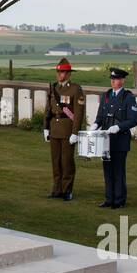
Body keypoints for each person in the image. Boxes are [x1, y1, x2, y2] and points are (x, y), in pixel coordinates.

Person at [94, 67, 137, 209]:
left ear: (123, 80)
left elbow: (133, 120)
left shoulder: (128, 97)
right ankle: (109, 199)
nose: (114, 82)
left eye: (117, 79)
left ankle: (119, 201)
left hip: (120, 140)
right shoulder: (106, 95)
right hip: (106, 140)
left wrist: (118, 127)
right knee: (107, 170)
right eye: (112, 79)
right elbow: (101, 116)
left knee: (118, 171)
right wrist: (95, 125)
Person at [43, 58, 85, 201]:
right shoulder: (53, 88)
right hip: (54, 129)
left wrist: (75, 132)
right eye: (59, 72)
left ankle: (67, 190)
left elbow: (78, 113)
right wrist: (46, 127)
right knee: (56, 161)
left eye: (64, 72)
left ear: (69, 74)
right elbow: (48, 109)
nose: (61, 74)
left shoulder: (75, 89)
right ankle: (56, 189)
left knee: (67, 161)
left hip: (68, 129)